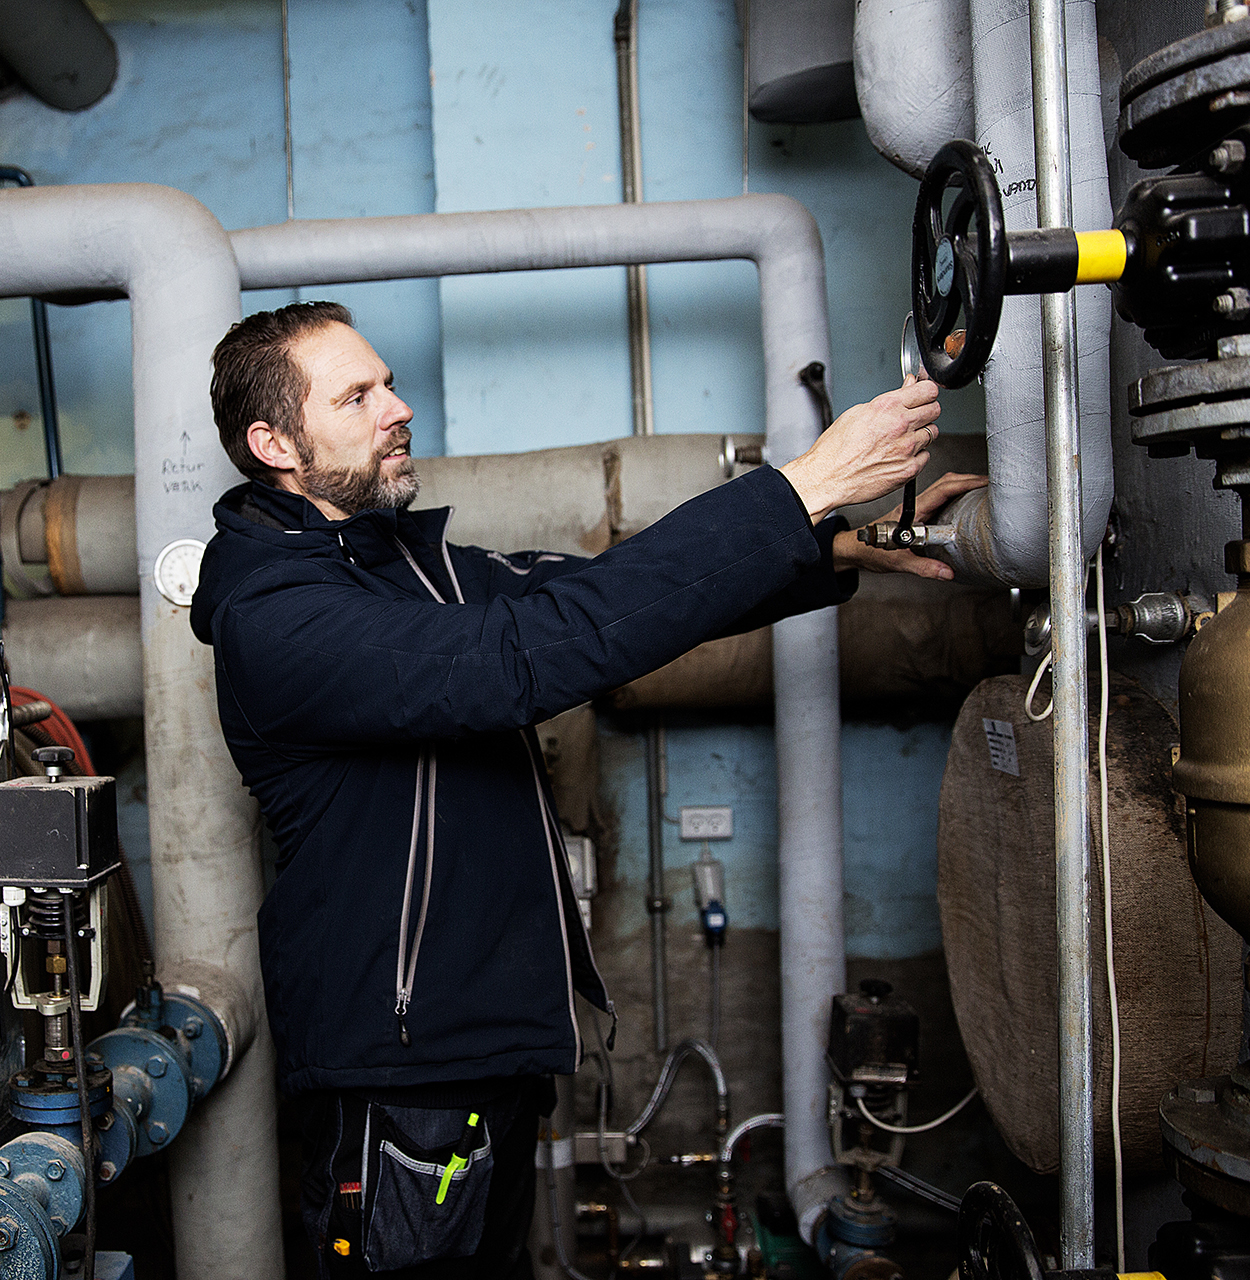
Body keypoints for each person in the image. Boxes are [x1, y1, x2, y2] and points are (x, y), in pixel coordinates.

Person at [190, 301, 983, 1278]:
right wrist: (802, 484)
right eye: (356, 397)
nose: (398, 407)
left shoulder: (406, 566)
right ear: (275, 444)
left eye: (388, 382)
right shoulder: (277, 614)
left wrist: (836, 543)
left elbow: (609, 595)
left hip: (480, 1053)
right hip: (400, 1076)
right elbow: (524, 653)